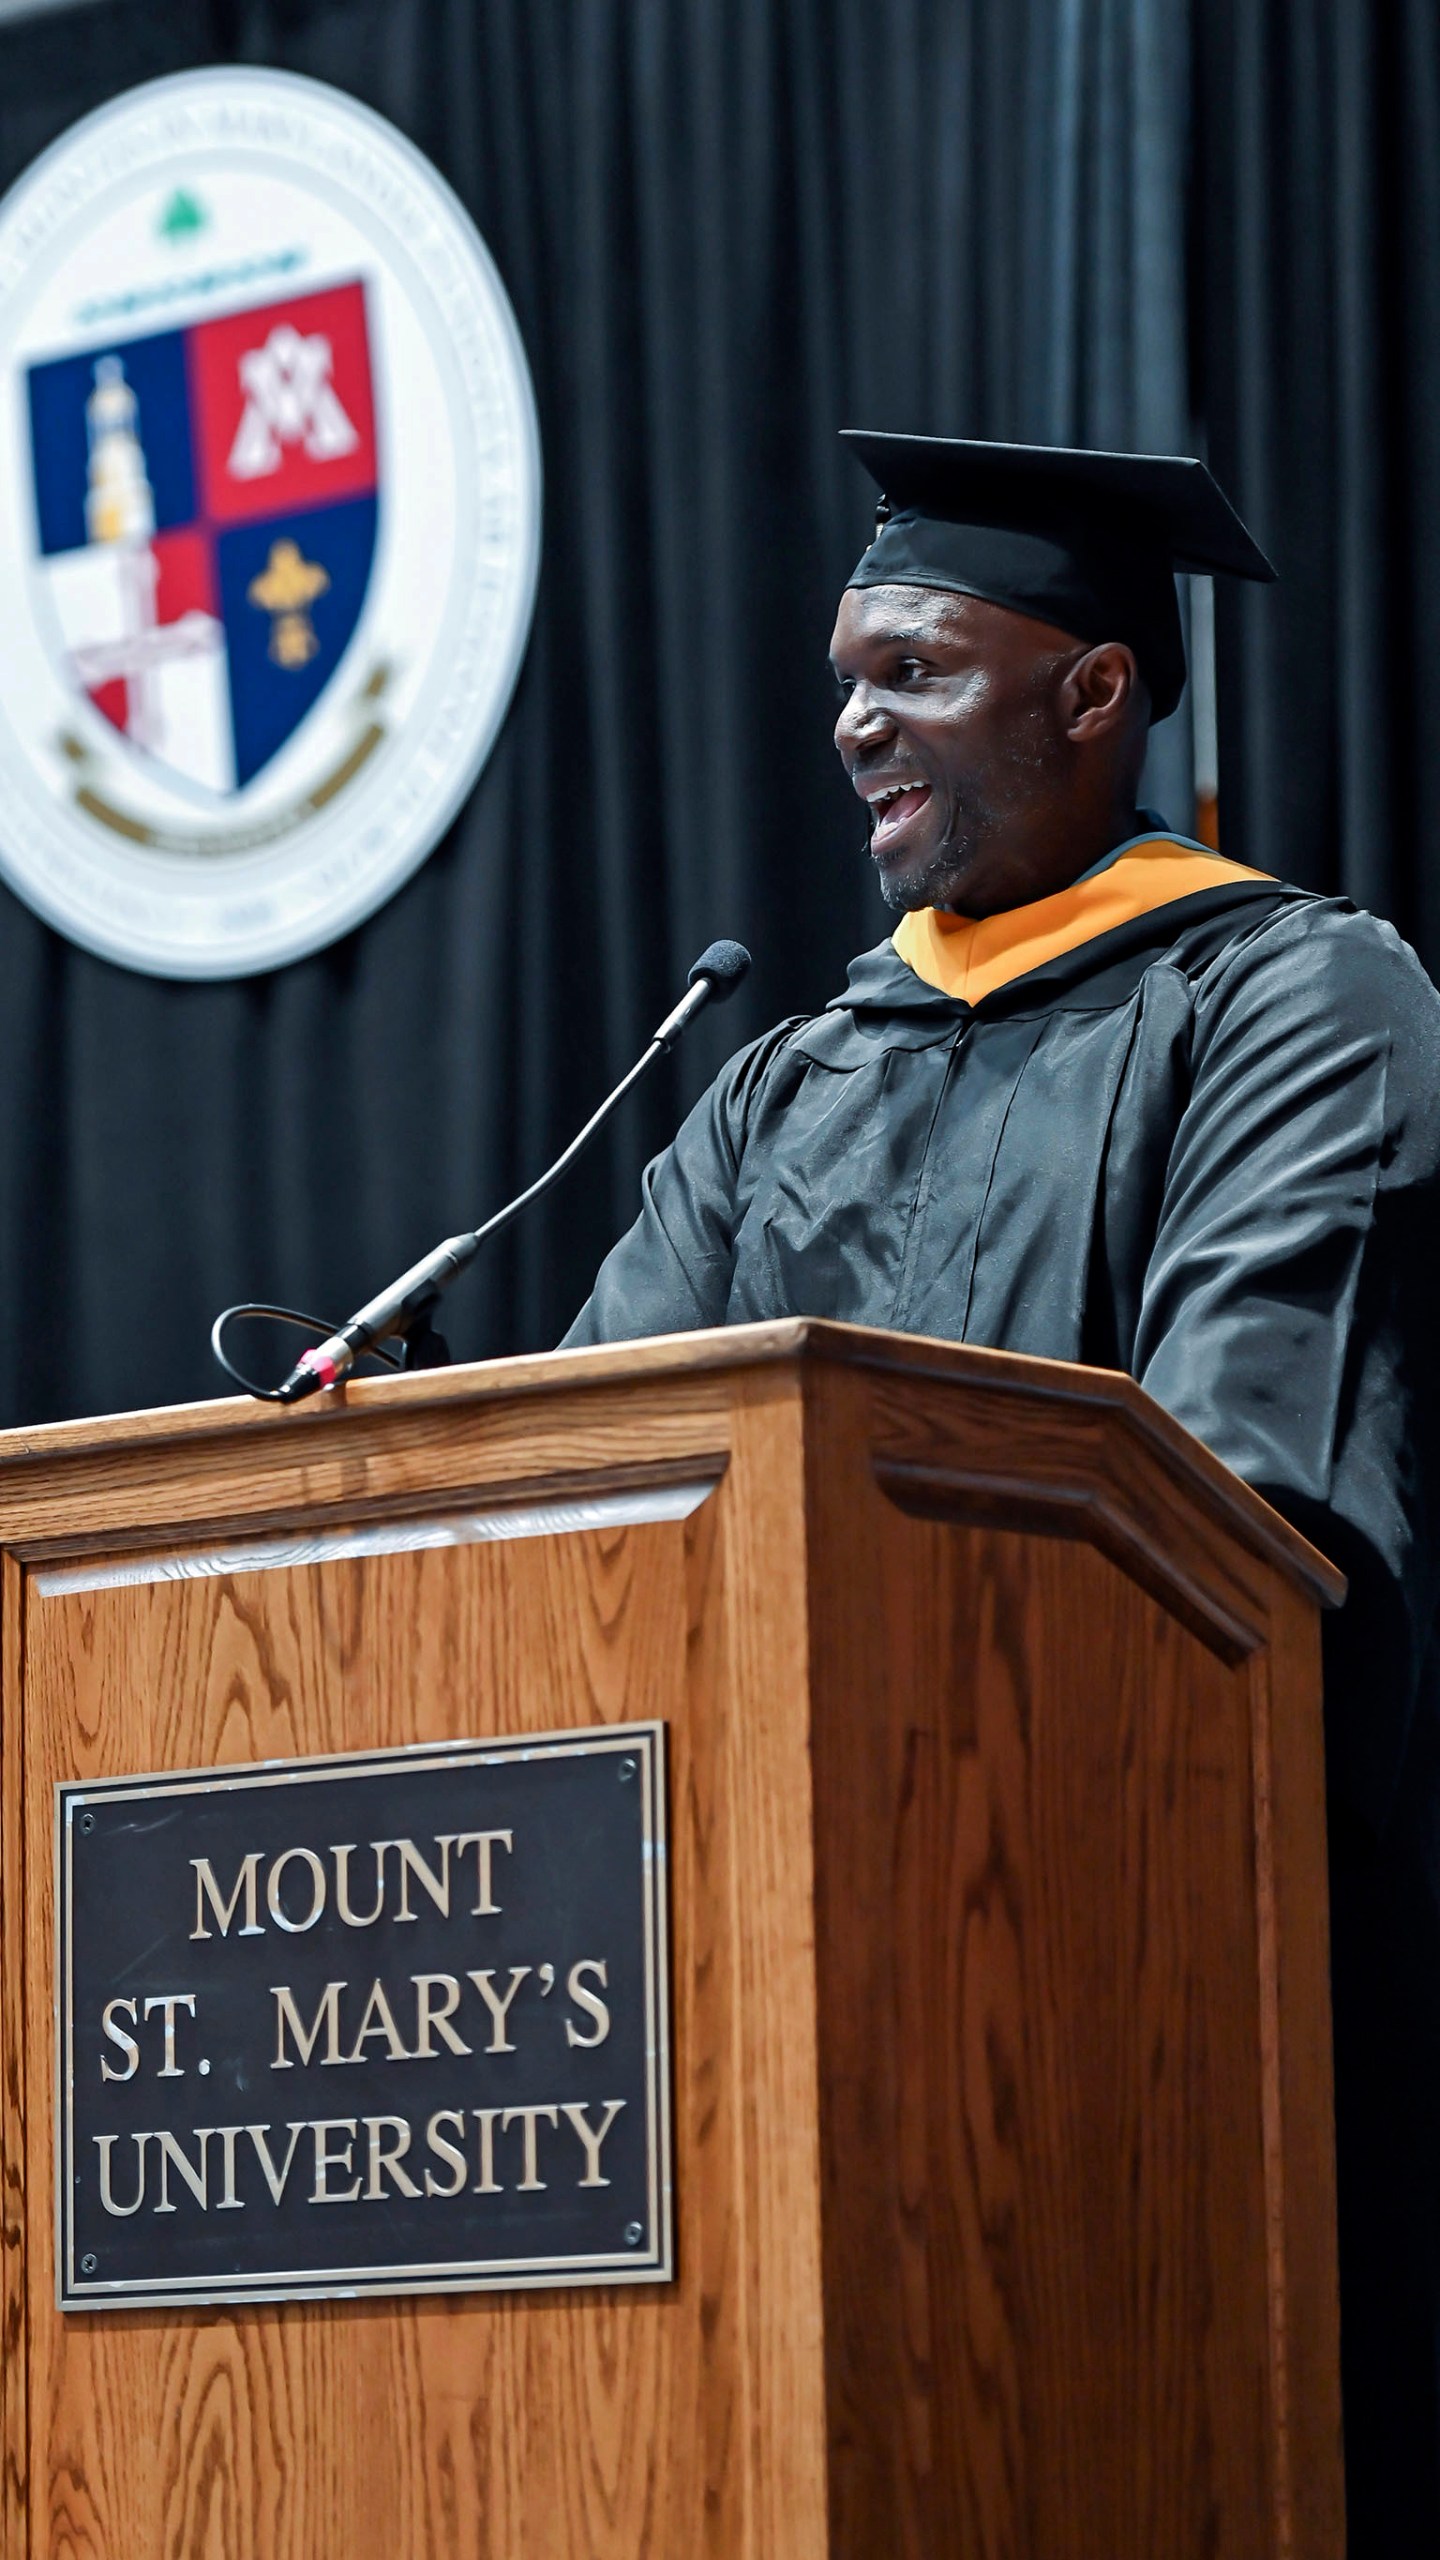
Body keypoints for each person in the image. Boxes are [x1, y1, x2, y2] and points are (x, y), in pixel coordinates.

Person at [562, 431, 1440, 2553]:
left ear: (1095, 692)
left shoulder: (1292, 1002)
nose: (855, 718)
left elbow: (1250, 1499)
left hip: (1137, 1978)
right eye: (845, 673)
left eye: (919, 669)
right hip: (756, 1990)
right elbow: (595, 1472)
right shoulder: (791, 1069)